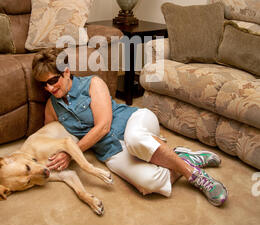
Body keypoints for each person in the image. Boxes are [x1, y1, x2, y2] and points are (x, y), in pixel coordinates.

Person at [32, 48, 228, 207]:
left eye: (52, 80)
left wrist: (72, 154)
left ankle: (195, 175)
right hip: (109, 151)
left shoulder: (92, 83)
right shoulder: (52, 107)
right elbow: (52, 137)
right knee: (148, 184)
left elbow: (103, 127)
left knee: (136, 141)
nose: (49, 88)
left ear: (65, 72)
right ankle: (183, 156)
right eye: (44, 85)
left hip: (133, 122)